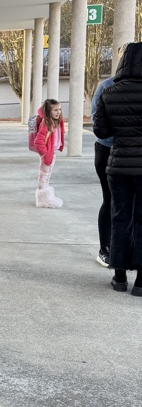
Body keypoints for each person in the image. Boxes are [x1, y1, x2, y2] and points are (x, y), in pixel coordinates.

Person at [92, 42, 142, 296]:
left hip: (118, 165)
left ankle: (120, 277)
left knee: (120, 217)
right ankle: (141, 281)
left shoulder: (109, 91)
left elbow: (101, 131)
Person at [91, 77, 115, 266]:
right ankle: (105, 248)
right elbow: (96, 121)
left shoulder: (107, 86)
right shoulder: (107, 86)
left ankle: (110, 249)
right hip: (109, 149)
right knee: (110, 199)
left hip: (112, 148)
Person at [33, 99, 65, 208]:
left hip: (52, 152)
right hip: (47, 153)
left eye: (60, 109)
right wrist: (45, 154)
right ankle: (42, 199)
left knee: (47, 176)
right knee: (43, 175)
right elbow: (38, 142)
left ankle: (47, 197)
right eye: (55, 110)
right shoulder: (46, 124)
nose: (58, 112)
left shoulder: (55, 122)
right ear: (48, 111)